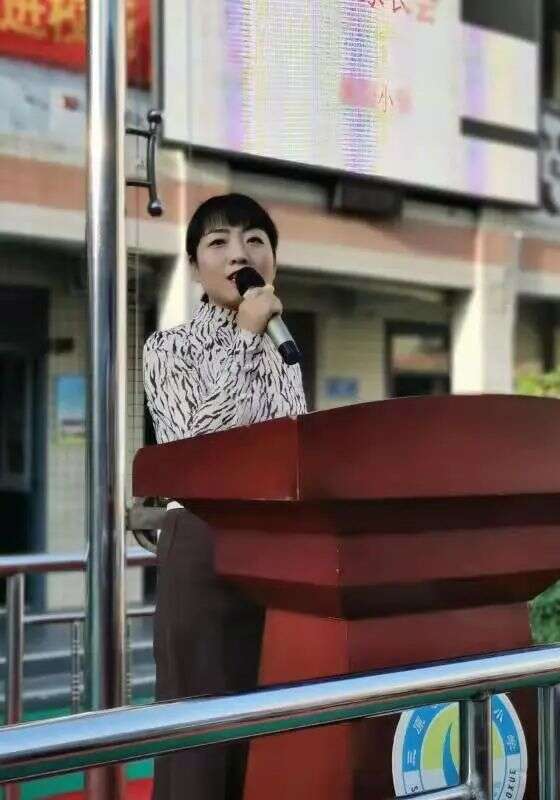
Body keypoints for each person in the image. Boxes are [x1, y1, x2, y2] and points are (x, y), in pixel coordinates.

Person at [143, 193, 307, 799]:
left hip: (282, 550)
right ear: (194, 267)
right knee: (201, 730)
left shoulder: (284, 349)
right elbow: (196, 448)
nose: (240, 253)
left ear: (273, 262)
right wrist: (243, 335)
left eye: (255, 240)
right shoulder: (168, 348)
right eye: (219, 242)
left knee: (272, 727)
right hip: (204, 543)